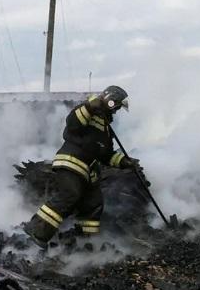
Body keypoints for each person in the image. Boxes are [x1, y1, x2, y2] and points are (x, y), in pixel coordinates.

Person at [23, 85, 141, 249]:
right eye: (117, 107)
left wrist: (124, 162)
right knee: (70, 194)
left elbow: (106, 154)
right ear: (110, 101)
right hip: (71, 162)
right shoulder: (89, 112)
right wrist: (89, 107)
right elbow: (72, 123)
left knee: (94, 203)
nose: (116, 112)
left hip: (88, 172)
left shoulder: (106, 129)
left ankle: (84, 241)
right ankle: (37, 230)